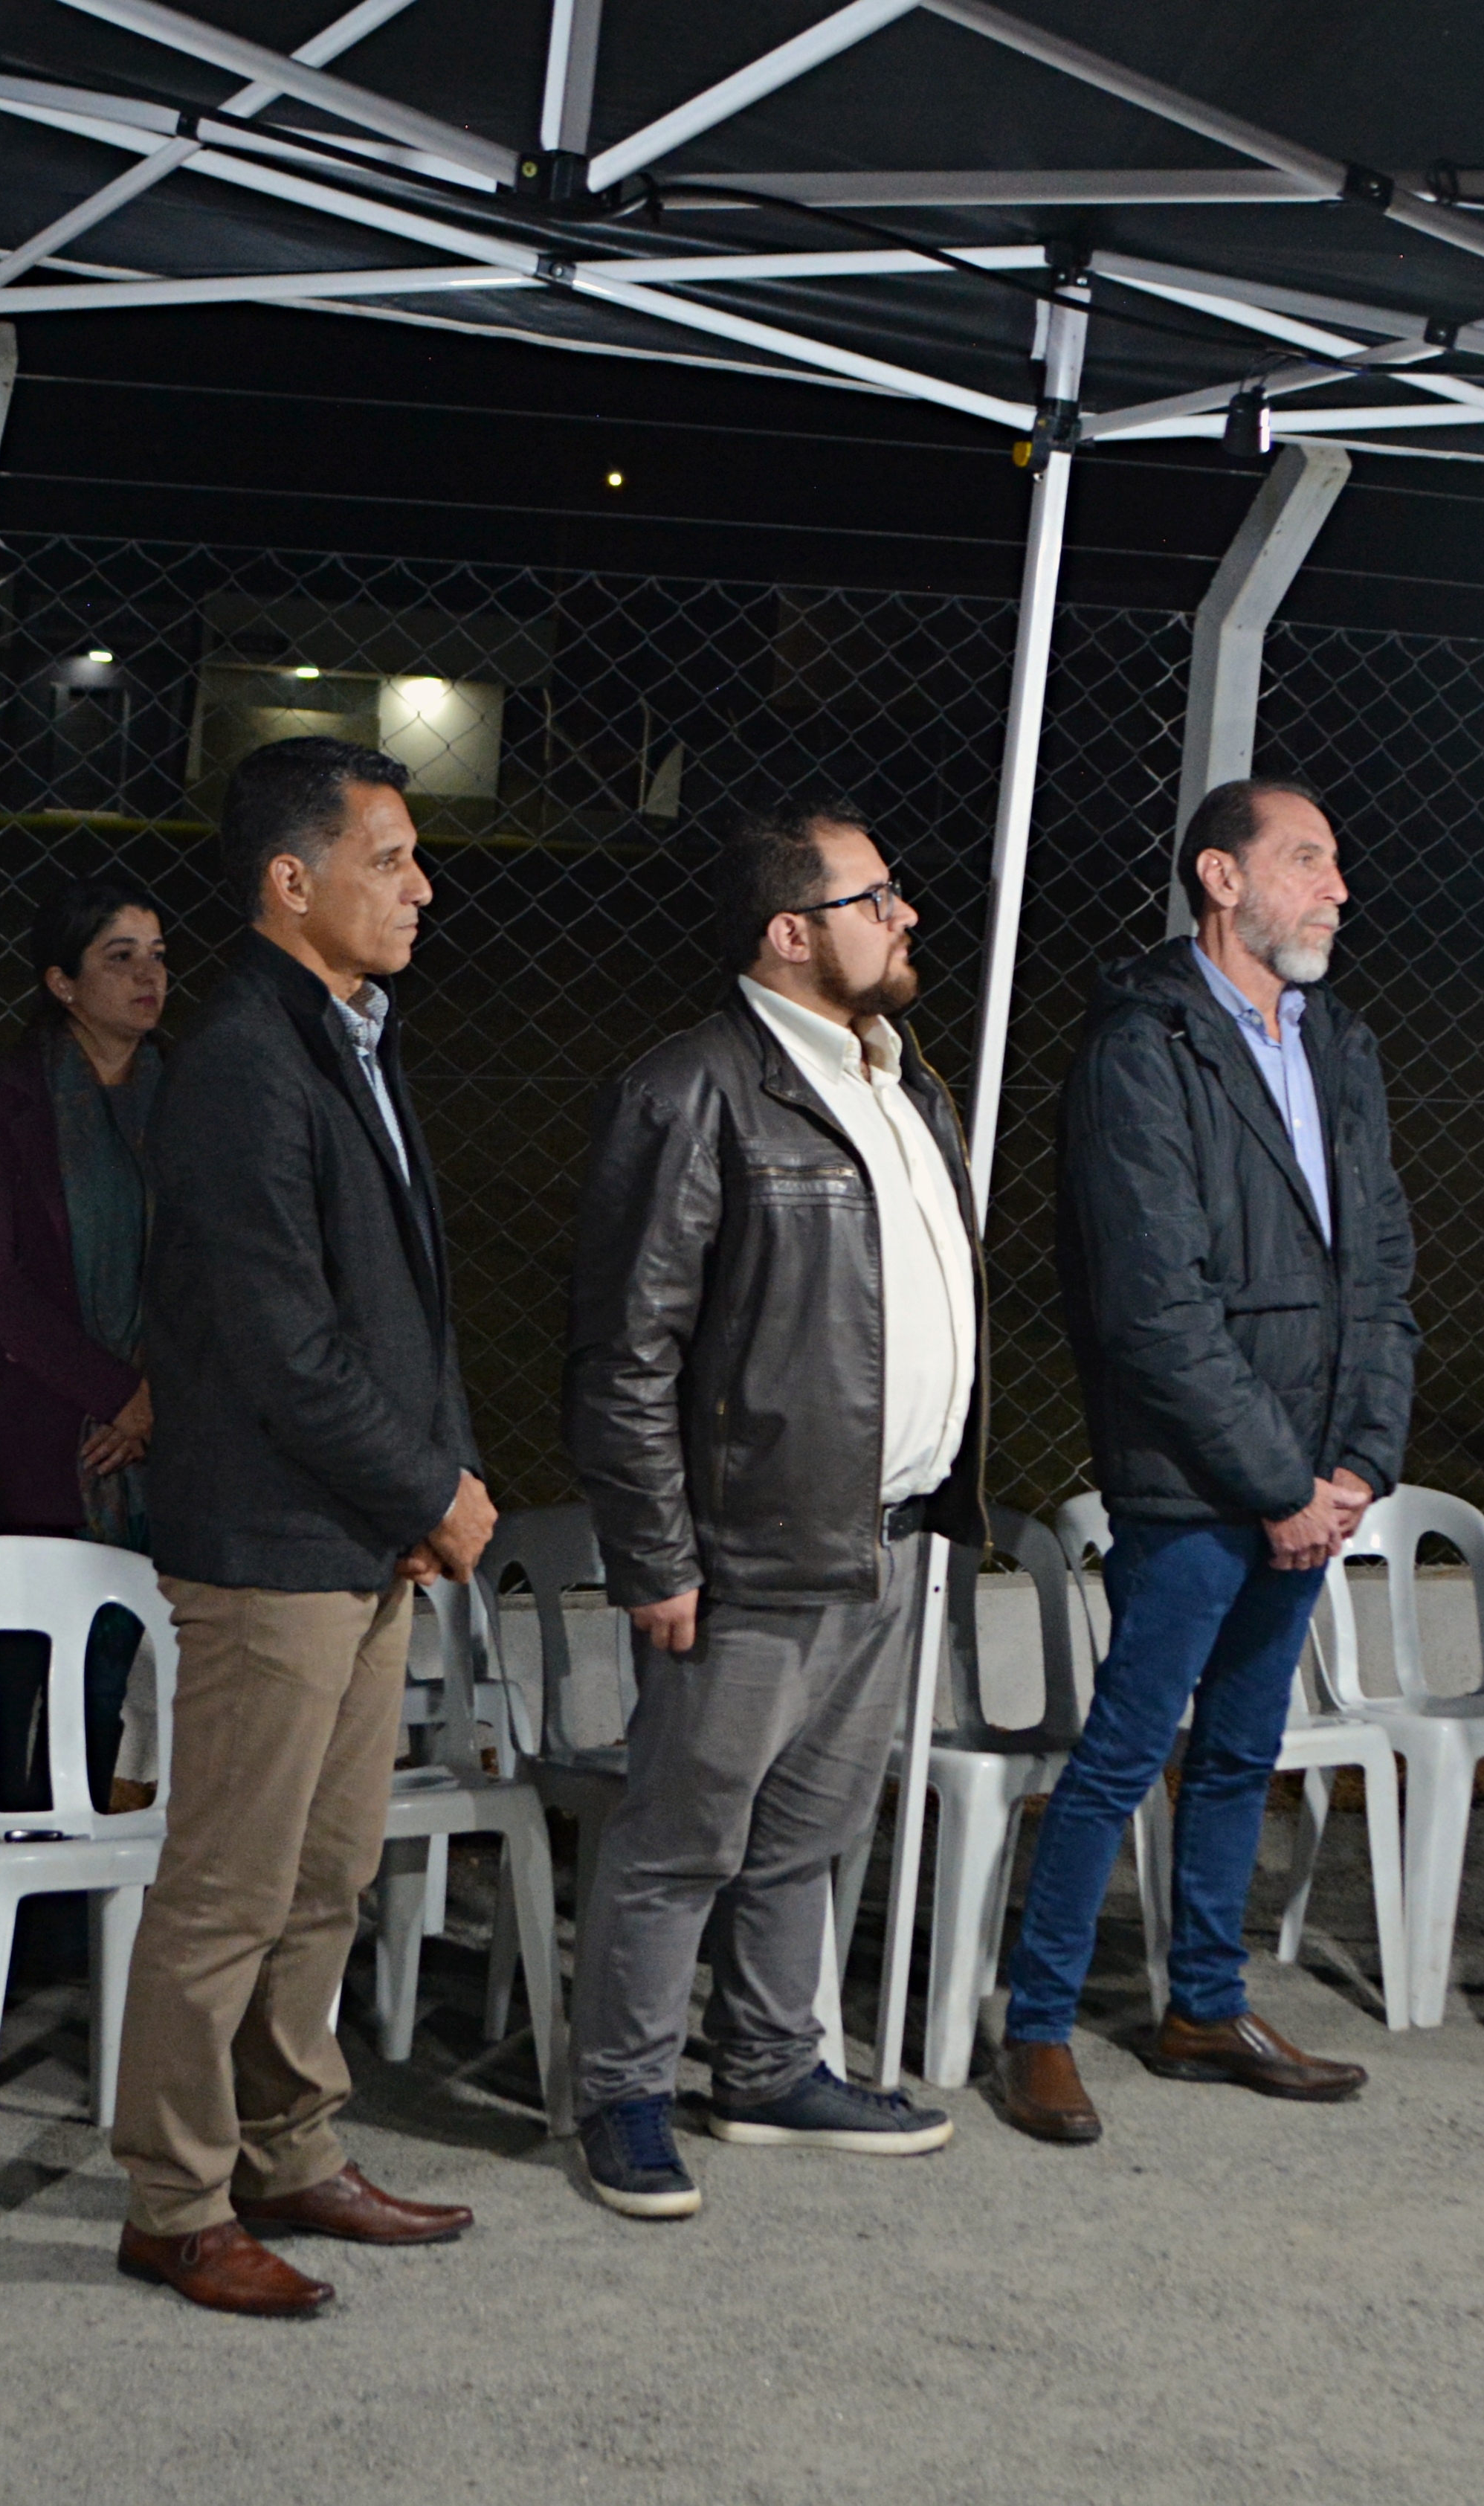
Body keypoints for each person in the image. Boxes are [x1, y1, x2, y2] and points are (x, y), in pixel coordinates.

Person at [110, 735, 492, 2321]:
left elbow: (398, 1304)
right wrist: (424, 1488)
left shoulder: (348, 1036)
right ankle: (174, 2196)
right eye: (387, 856)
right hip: (273, 1540)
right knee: (226, 1889)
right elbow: (279, 1337)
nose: (418, 884)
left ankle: (288, 2142)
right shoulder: (243, 1061)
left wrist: (427, 1479)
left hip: (359, 1533)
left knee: (323, 1874)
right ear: (292, 879)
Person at [560, 800, 975, 2219]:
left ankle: (771, 2063)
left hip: (888, 1534)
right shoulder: (694, 1089)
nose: (903, 917)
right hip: (746, 1557)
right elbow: (627, 1350)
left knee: (810, 1829)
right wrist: (658, 1556)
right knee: (683, 1834)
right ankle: (622, 2091)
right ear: (790, 933)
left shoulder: (901, 1081)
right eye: (876, 899)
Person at [996, 776, 1416, 2145]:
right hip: (1199, 1482)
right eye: (1306, 859)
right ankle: (1039, 2026)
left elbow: (1384, 1270)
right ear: (1220, 880)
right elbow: (1153, 1305)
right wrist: (1278, 1483)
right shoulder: (1145, 1046)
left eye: (1336, 860)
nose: (1335, 886)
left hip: (1311, 1482)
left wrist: (1355, 1465)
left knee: (1242, 1755)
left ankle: (1203, 2007)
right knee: (1126, 1754)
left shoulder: (1335, 1041)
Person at [0, 874, 170, 1828]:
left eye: (158, 956)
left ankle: (67, 1928)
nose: (149, 977)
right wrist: (117, 1394)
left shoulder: (183, 1103)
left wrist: (156, 1403)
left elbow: (217, 1271)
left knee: (98, 1691)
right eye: (120, 956)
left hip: (141, 1447)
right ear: (62, 983)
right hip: (19, 1446)